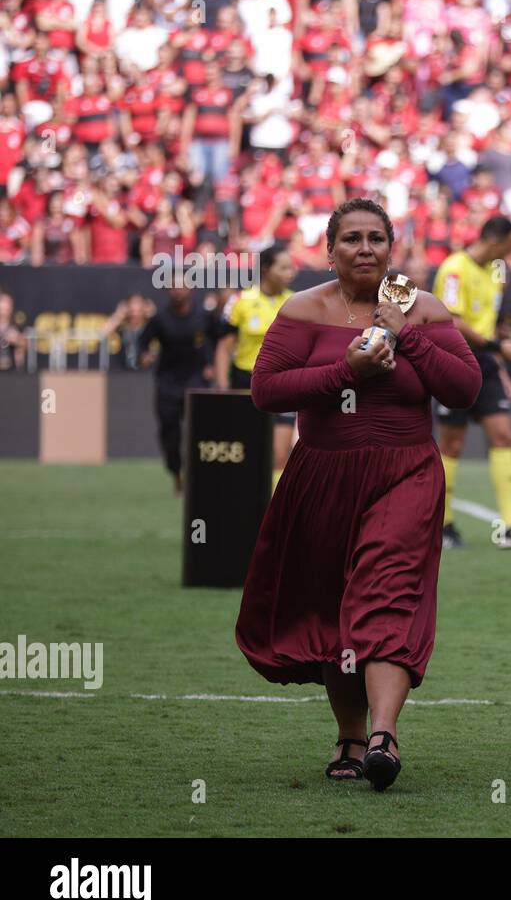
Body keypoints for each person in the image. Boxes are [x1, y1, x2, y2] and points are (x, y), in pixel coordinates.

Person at [235, 198, 481, 792]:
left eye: (376, 238)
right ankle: (349, 733)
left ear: (391, 248)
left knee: (386, 592)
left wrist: (408, 338)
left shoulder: (421, 308)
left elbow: (467, 387)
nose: (365, 249)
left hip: (406, 473)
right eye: (352, 239)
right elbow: (266, 390)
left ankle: (384, 737)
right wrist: (346, 371)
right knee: (331, 605)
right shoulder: (303, 308)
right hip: (323, 475)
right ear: (330, 249)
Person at [433, 214, 511, 549]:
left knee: (504, 434)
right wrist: (497, 346)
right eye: (509, 247)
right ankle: (443, 523)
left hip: (483, 359)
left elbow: (489, 323)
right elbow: (452, 320)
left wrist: (496, 358)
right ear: (496, 240)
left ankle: (510, 525)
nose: (510, 255)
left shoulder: (495, 272)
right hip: (452, 358)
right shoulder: (455, 268)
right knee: (452, 443)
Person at [215, 243, 298, 482]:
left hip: (283, 386)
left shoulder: (296, 302)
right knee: (246, 452)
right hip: (245, 384)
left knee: (280, 455)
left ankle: (273, 514)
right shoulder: (240, 301)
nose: (290, 273)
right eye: (283, 268)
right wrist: (222, 388)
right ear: (265, 270)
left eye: (291, 268)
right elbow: (224, 348)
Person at [137, 279, 224, 495]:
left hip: (196, 383)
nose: (177, 291)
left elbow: (221, 341)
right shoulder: (159, 320)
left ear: (191, 289)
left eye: (181, 286)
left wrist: (212, 364)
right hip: (168, 384)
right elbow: (142, 343)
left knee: (201, 432)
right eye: (173, 287)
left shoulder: (204, 317)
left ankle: (200, 476)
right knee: (170, 433)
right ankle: (177, 474)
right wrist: (144, 356)